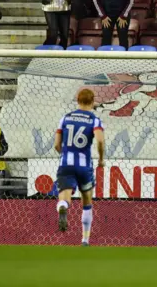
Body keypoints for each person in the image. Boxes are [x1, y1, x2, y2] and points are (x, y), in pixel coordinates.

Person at [54, 89, 105, 246]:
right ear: (92, 101)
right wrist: (101, 159)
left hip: (66, 163)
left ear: (77, 100)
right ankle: (85, 240)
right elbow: (100, 141)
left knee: (64, 197)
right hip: (84, 167)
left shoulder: (65, 118)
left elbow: (56, 144)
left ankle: (63, 207)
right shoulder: (94, 120)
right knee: (87, 201)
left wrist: (65, 153)